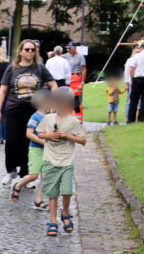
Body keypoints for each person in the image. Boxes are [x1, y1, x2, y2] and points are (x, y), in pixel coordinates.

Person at [0, 40, 56, 185]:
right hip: (13, 109)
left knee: (28, 142)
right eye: (27, 49)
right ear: (20, 51)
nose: (30, 52)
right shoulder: (12, 69)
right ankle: (11, 170)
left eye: (32, 50)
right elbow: (3, 90)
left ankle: (26, 174)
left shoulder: (40, 69)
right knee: (12, 142)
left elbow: (54, 86)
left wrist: (52, 104)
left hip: (33, 110)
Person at [35, 87, 87, 237]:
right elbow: (40, 133)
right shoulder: (48, 119)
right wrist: (49, 135)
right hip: (50, 161)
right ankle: (53, 220)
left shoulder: (73, 121)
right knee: (52, 193)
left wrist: (68, 136)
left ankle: (65, 212)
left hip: (66, 162)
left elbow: (83, 140)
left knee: (66, 191)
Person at [10, 90, 51, 210]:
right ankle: (18, 185)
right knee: (34, 175)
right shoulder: (35, 117)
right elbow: (29, 134)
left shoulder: (51, 117)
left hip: (48, 151)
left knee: (45, 176)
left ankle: (38, 201)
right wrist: (43, 141)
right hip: (36, 150)